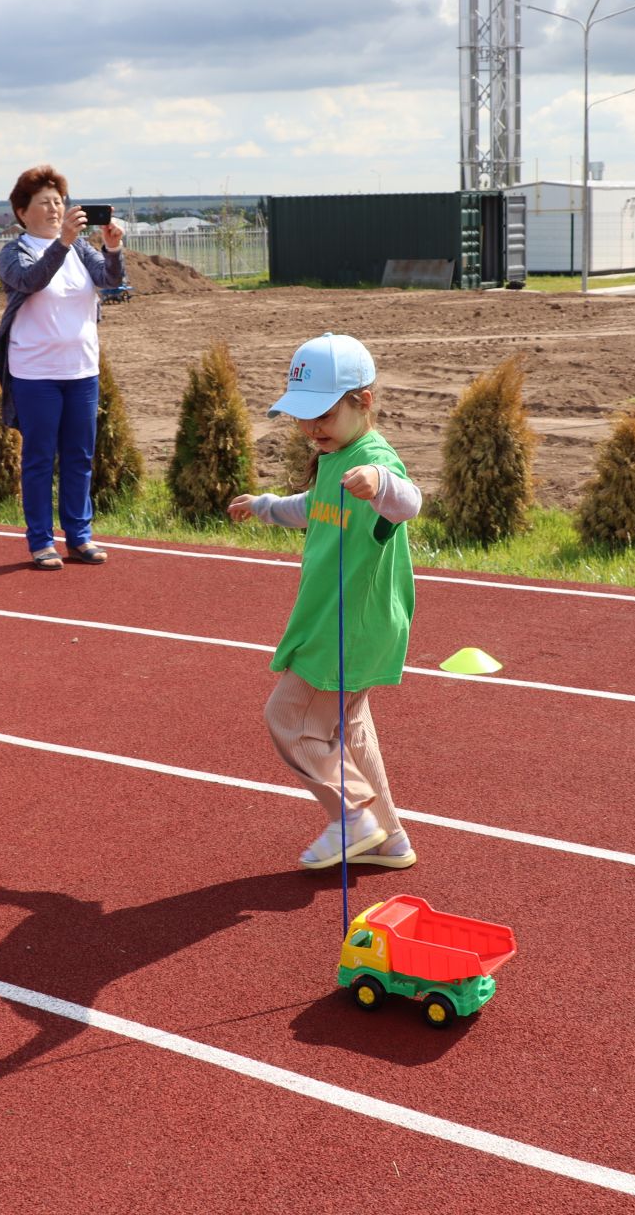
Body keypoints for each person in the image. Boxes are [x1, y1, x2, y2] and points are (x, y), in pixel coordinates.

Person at [228, 332, 421, 871]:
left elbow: (409, 502)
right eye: (303, 417)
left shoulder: (373, 457)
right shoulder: (335, 456)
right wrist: (266, 506)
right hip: (337, 620)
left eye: (324, 415)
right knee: (349, 729)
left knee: (287, 717)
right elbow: (313, 506)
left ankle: (354, 817)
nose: (312, 429)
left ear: (364, 402)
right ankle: (389, 838)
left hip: (351, 626)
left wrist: (380, 480)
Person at [0, 165, 126, 570]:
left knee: (80, 456)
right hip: (35, 374)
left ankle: (79, 537)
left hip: (82, 370)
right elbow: (31, 281)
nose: (54, 208)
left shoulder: (82, 248)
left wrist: (113, 249)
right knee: (39, 457)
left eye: (59, 202)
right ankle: (41, 540)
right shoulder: (14, 252)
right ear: (21, 212)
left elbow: (111, 281)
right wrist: (63, 243)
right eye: (44, 203)